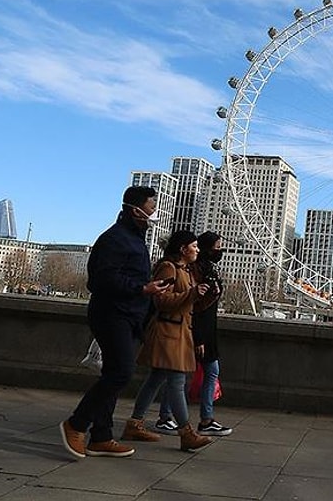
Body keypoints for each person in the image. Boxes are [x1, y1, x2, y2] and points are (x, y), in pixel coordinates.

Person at [59, 186, 172, 459]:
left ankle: (101, 436)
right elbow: (100, 280)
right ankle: (75, 424)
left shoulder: (134, 239)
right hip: (112, 314)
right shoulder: (114, 239)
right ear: (135, 210)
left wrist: (148, 289)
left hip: (128, 315)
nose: (154, 211)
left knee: (112, 373)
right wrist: (142, 289)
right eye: (150, 206)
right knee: (121, 372)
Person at [120, 230, 213, 452]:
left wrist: (207, 296)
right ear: (183, 249)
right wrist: (192, 293)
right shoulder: (168, 268)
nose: (197, 250)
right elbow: (161, 300)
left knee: (155, 379)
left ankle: (135, 423)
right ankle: (186, 432)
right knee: (177, 382)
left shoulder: (186, 271)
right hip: (168, 332)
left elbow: (189, 304)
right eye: (194, 246)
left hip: (178, 332)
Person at [154, 231, 232, 437]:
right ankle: (193, 423)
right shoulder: (185, 270)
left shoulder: (203, 269)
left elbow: (199, 303)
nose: (220, 250)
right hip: (191, 331)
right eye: (217, 246)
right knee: (182, 376)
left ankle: (159, 417)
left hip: (200, 330)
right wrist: (198, 337)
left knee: (166, 376)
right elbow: (189, 306)